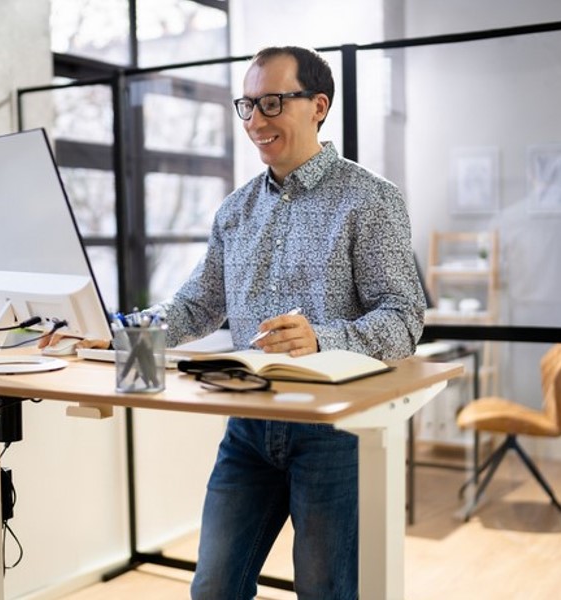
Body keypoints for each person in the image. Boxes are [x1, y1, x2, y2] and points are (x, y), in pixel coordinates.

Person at [145, 46, 426, 599]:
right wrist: (124, 330)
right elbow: (198, 304)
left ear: (318, 105)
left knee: (325, 591)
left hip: (332, 431)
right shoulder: (235, 210)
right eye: (246, 105)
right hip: (247, 424)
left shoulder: (370, 200)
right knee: (213, 588)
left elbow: (404, 319)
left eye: (272, 102)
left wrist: (323, 338)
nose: (255, 120)